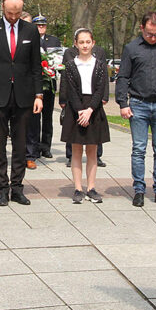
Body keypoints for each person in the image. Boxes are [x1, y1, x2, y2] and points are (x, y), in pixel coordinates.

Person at [0, 0, 43, 206]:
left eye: (17, 13)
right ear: (3, 8)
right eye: (9, 13)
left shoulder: (31, 30)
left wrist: (39, 95)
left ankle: (17, 187)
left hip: (24, 96)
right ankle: (2, 188)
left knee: (20, 143)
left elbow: (36, 66)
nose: (13, 17)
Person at [115, 11, 156, 208]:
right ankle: (139, 190)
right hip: (138, 104)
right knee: (138, 149)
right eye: (149, 34)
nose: (153, 38)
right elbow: (123, 77)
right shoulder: (131, 48)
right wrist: (123, 103)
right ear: (141, 28)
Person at [60, 28, 110, 204]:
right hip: (76, 109)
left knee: (92, 150)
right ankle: (78, 188)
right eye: (81, 42)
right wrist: (80, 110)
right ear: (75, 44)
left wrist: (90, 110)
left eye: (88, 42)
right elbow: (71, 90)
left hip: (93, 109)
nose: (85, 45)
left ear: (93, 43)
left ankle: (91, 188)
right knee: (76, 150)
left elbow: (100, 89)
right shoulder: (71, 65)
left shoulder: (100, 65)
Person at [28, 15, 61, 162]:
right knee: (34, 118)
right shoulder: (29, 39)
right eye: (38, 25)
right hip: (34, 85)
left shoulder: (53, 41)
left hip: (49, 84)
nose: (41, 27)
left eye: (43, 25)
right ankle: (34, 148)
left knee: (48, 117)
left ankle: (45, 147)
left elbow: (57, 59)